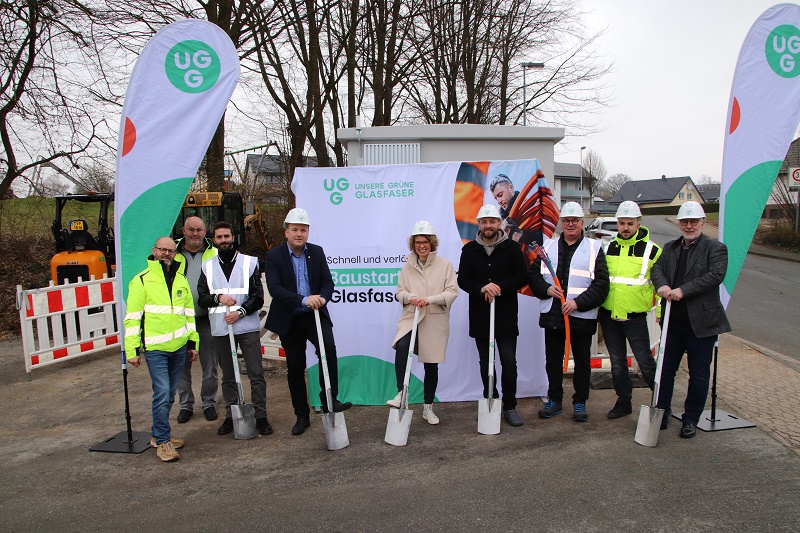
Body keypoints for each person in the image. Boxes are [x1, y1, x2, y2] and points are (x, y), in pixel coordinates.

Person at [264, 208, 352, 437]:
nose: (299, 234)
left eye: (303, 230)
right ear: (286, 232)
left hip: (315, 315)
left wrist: (322, 297)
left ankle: (329, 400)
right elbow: (275, 289)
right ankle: (301, 415)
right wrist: (303, 299)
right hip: (290, 318)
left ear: (308, 232)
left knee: (329, 351)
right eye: (295, 229)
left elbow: (327, 283)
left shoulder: (317, 252)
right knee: (295, 367)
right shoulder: (274, 257)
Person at [652, 201, 731, 438]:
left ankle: (690, 419)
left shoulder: (715, 248)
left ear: (702, 223)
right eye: (685, 222)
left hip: (701, 324)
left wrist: (683, 290)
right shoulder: (670, 247)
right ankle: (662, 413)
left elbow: (715, 276)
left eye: (693, 221)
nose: (689, 226)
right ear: (679, 223)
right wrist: (662, 285)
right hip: (672, 323)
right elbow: (656, 269)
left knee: (698, 375)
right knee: (665, 371)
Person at [528, 202, 609, 422]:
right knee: (553, 361)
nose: (570, 224)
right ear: (561, 223)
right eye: (566, 221)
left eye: (574, 220)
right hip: (553, 316)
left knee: (582, 362)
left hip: (580, 317)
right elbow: (533, 277)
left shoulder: (594, 248)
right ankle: (554, 400)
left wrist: (577, 303)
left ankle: (580, 402)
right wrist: (546, 289)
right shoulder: (548, 248)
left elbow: (601, 285)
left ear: (582, 223)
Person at [124, 236, 198, 462]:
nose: (167, 254)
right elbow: (133, 318)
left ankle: (158, 435)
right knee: (163, 392)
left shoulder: (181, 279)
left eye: (171, 251)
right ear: (154, 251)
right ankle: (163, 442)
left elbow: (188, 314)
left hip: (178, 347)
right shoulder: (142, 281)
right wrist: (132, 350)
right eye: (163, 250)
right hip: (156, 349)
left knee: (169, 394)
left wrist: (193, 343)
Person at [197, 221, 271, 437]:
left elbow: (257, 297)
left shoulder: (249, 263)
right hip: (221, 329)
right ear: (214, 240)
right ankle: (232, 415)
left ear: (233, 237)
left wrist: (239, 312)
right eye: (219, 237)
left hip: (246, 327)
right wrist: (218, 298)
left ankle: (261, 416)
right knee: (228, 375)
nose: (224, 240)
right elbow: (202, 299)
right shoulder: (207, 266)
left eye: (227, 236)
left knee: (256, 373)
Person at [457, 204, 529, 427]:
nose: (488, 225)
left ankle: (510, 406)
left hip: (506, 315)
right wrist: (482, 288)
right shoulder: (469, 250)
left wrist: (499, 287)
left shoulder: (512, 248)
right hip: (480, 315)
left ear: (499, 224)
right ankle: (492, 400)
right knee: (485, 362)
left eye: (492, 221)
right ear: (479, 225)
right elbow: (463, 280)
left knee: (509, 362)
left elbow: (522, 277)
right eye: (484, 222)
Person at [387, 221, 459, 424]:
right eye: (418, 242)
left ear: (432, 243)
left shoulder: (445, 265)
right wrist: (410, 297)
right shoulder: (406, 267)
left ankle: (428, 407)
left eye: (425, 242)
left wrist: (430, 299)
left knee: (431, 364)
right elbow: (400, 292)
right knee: (402, 347)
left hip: (434, 318)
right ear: (413, 244)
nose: (421, 246)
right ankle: (402, 392)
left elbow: (452, 291)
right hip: (412, 316)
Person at [599, 201, 662, 419]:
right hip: (609, 315)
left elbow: (662, 285)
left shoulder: (653, 250)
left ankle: (662, 405)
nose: (625, 228)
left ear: (638, 223)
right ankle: (623, 401)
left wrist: (661, 316)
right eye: (622, 223)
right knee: (617, 363)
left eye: (630, 223)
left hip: (635, 317)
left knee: (645, 362)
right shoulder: (607, 248)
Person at [173, 216, 219, 424]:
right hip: (180, 319)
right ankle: (185, 405)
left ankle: (208, 402)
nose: (195, 234)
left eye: (199, 230)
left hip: (206, 318)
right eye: (191, 229)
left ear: (205, 231)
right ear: (184, 230)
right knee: (181, 365)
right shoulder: (172, 253)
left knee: (210, 364)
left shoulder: (213, 251)